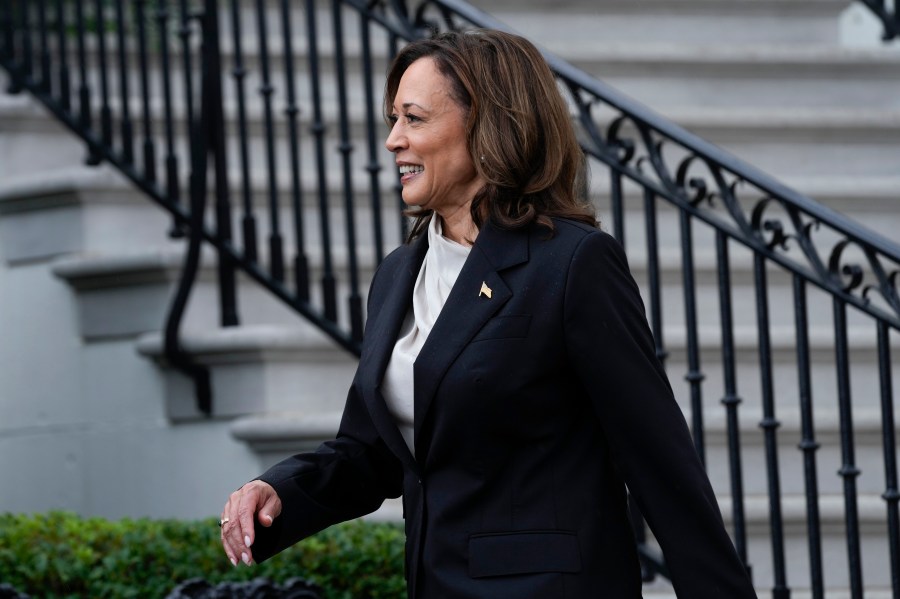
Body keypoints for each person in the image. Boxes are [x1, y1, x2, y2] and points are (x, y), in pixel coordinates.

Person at [219, 29, 758, 599]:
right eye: (392, 120)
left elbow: (659, 462)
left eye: (414, 118)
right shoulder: (398, 276)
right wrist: (280, 491)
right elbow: (371, 454)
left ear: (486, 125)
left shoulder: (573, 264)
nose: (393, 140)